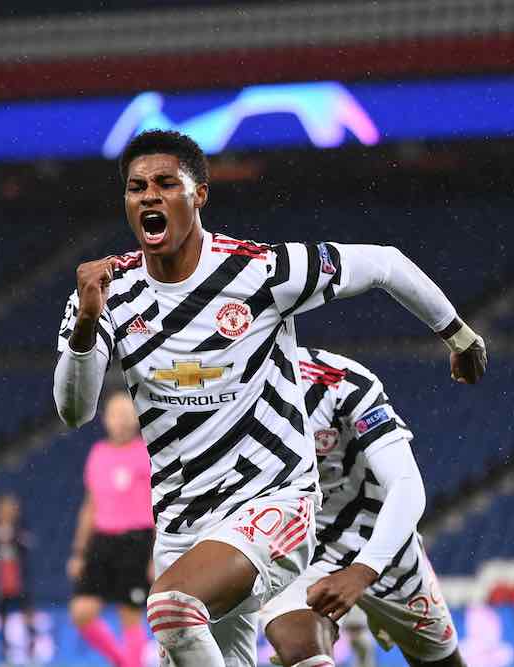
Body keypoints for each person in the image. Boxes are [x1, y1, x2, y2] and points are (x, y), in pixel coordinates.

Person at [53, 129, 486, 667]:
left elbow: (384, 264)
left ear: (199, 195)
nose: (150, 196)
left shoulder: (259, 271)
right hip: (183, 529)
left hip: (275, 505)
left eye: (167, 183)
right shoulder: (107, 294)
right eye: (137, 187)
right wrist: (87, 325)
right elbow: (74, 411)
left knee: (171, 607)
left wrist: (458, 335)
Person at [259, 348, 466, 667]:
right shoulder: (216, 390)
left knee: (442, 663)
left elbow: (407, 485)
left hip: (380, 550)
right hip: (295, 546)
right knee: (302, 652)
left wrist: (362, 571)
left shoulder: (344, 383)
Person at [67, 391, 155, 667]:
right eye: (116, 414)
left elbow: (160, 505)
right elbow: (90, 504)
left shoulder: (148, 453)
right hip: (101, 541)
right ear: (105, 418)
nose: (121, 421)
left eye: (128, 415)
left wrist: (156, 553)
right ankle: (124, 662)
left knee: (130, 614)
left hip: (137, 541)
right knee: (81, 611)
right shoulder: (98, 453)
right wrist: (79, 552)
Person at [0, 494, 36, 664]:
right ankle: (5, 654)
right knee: (2, 618)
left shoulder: (21, 528)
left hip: (20, 581)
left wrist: (13, 537)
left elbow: (28, 547)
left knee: (27, 615)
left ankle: (31, 650)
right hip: (0, 582)